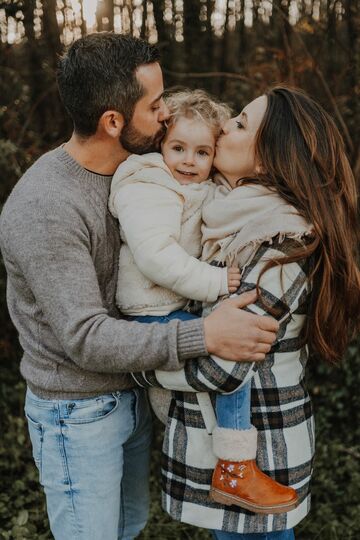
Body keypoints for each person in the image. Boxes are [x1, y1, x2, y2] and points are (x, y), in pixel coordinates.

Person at [0, 33, 280, 540]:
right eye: (155, 106)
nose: (166, 115)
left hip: (132, 389)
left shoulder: (145, 169)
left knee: (129, 528)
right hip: (79, 414)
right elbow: (85, 337)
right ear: (114, 121)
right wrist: (205, 336)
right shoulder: (46, 206)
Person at [131, 86, 360, 538]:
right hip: (227, 457)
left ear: (267, 159)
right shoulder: (230, 216)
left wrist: (135, 366)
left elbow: (224, 365)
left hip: (262, 457)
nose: (224, 126)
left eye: (240, 123)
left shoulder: (281, 242)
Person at [109, 88, 298, 514]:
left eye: (201, 152)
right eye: (178, 148)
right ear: (161, 146)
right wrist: (215, 282)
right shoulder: (152, 184)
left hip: (174, 309)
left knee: (225, 357)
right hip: (149, 311)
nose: (188, 161)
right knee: (227, 349)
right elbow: (156, 257)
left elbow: (229, 202)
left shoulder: (203, 188)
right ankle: (234, 464)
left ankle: (230, 463)